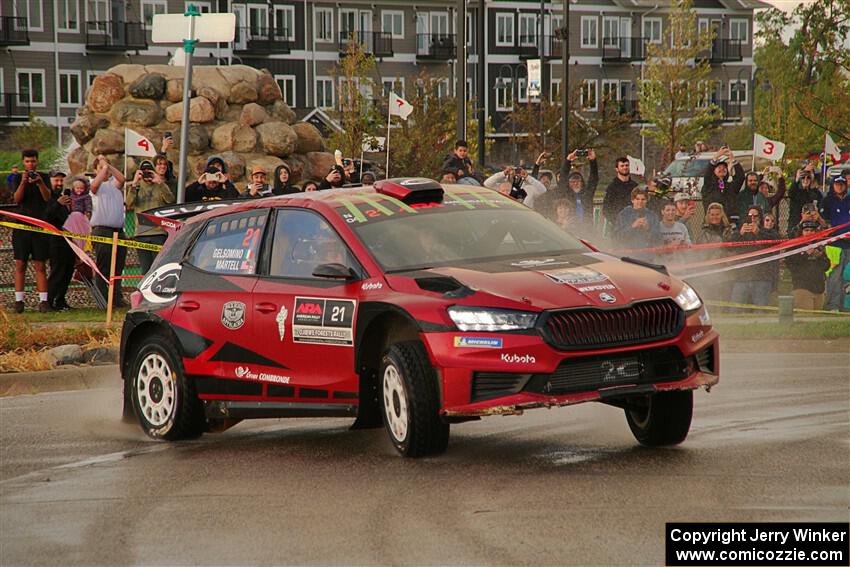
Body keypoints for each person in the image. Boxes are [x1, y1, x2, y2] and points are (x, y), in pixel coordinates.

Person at [10, 149, 52, 313]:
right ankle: (19, 301)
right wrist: (23, 181)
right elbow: (17, 199)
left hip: (39, 226)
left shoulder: (44, 177)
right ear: (23, 162)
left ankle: (43, 301)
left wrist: (40, 182)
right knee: (20, 264)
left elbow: (47, 197)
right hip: (22, 226)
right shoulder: (18, 178)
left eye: (33, 161)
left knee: (40, 265)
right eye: (27, 161)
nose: (30, 164)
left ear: (37, 162)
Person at [89, 155, 127, 308]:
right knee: (103, 267)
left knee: (118, 267)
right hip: (102, 231)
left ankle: (116, 299)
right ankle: (103, 300)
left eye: (106, 168)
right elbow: (94, 186)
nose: (105, 172)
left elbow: (122, 178)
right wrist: (103, 168)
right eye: (100, 169)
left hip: (118, 231)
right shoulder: (94, 184)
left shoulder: (115, 185)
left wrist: (108, 165)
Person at [125, 160, 176, 274]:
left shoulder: (160, 185)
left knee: (158, 268)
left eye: (149, 171)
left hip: (158, 232)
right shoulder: (137, 186)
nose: (147, 174)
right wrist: (134, 183)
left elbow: (170, 200)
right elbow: (128, 203)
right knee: (145, 269)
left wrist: (160, 182)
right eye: (144, 172)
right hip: (142, 233)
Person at [729, 205, 779, 309]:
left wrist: (758, 233)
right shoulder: (740, 232)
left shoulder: (767, 231)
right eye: (750, 216)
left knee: (760, 310)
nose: (752, 219)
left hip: (761, 278)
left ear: (760, 218)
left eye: (755, 216)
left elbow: (775, 241)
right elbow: (729, 246)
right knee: (735, 309)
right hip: (742, 277)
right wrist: (740, 234)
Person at [536, 149, 598, 225]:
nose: (575, 183)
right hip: (570, 228)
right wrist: (568, 161)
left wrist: (593, 161)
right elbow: (563, 178)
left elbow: (593, 180)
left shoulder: (587, 195)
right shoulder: (566, 194)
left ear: (582, 183)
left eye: (578, 181)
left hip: (587, 229)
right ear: (568, 183)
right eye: (572, 181)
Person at [44, 170, 75, 311]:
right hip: (55, 240)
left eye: (61, 181)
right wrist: (57, 203)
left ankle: (60, 300)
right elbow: (46, 217)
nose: (59, 183)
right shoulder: (48, 197)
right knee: (57, 271)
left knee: (68, 270)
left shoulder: (65, 197)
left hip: (68, 239)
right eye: (56, 180)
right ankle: (49, 301)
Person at [820, 175, 850, 311]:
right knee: (834, 277)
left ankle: (845, 305)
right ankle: (833, 304)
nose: (840, 186)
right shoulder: (827, 201)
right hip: (834, 246)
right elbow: (824, 222)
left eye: (842, 184)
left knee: (847, 276)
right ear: (833, 185)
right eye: (837, 184)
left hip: (849, 245)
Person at [786, 221, 831, 310]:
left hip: (819, 289)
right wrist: (805, 254)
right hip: (802, 287)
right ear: (801, 232)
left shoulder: (819, 246)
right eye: (806, 230)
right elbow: (791, 264)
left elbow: (826, 266)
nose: (809, 233)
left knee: (816, 320)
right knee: (805, 317)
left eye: (812, 230)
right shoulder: (794, 246)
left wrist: (820, 256)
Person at [694, 202, 734, 301]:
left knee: (726, 298)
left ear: (722, 215)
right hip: (710, 271)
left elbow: (733, 248)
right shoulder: (704, 233)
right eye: (712, 214)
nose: (714, 217)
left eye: (717, 214)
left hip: (726, 270)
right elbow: (700, 253)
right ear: (708, 215)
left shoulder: (729, 230)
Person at [701, 148, 744, 220]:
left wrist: (733, 159)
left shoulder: (730, 186)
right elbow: (707, 175)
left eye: (724, 167)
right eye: (719, 167)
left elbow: (740, 177)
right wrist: (716, 157)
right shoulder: (709, 186)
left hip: (730, 220)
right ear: (713, 171)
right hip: (713, 221)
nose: (722, 169)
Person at [602, 156, 638, 231]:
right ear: (617, 169)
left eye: (627, 165)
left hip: (635, 225)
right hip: (618, 227)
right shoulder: (611, 187)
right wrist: (617, 221)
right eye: (622, 166)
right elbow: (606, 209)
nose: (625, 167)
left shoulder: (635, 186)